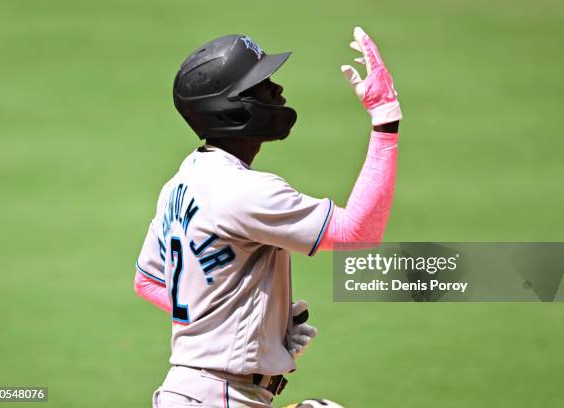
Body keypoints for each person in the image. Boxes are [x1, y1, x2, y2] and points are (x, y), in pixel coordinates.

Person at [133, 26, 402, 408]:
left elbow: (149, 282)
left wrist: (254, 328)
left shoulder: (182, 182)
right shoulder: (244, 190)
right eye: (262, 85)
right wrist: (385, 120)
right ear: (232, 108)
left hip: (194, 392)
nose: (276, 91)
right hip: (220, 397)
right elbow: (355, 233)